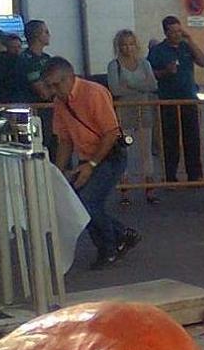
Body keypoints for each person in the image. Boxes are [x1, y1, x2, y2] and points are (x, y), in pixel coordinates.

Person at [40, 58, 139, 271]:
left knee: (86, 203)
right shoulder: (60, 102)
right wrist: (57, 171)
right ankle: (119, 235)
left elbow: (111, 132)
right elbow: (64, 139)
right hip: (88, 157)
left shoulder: (94, 93)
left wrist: (91, 164)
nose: (53, 90)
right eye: (50, 86)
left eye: (56, 84)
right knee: (80, 203)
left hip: (109, 155)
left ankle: (110, 246)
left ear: (70, 77)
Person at [147, 15, 204, 183]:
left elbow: (203, 61)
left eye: (180, 31)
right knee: (170, 139)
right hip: (168, 100)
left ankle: (195, 175)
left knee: (192, 138)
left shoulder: (186, 47)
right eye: (174, 32)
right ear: (166, 33)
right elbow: (151, 74)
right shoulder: (158, 51)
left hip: (188, 98)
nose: (178, 35)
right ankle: (170, 176)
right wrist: (165, 72)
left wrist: (191, 41)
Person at [106, 28, 159, 204]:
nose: (128, 48)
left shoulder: (144, 64)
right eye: (124, 45)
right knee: (124, 150)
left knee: (146, 151)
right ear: (118, 47)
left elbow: (152, 84)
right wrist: (138, 85)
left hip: (143, 108)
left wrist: (129, 84)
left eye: (130, 44)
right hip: (124, 110)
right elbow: (115, 88)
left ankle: (149, 188)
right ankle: (125, 189)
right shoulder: (114, 65)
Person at [20, 19, 54, 154]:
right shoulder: (26, 59)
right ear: (37, 35)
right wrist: (53, 88)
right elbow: (43, 92)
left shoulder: (47, 58)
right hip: (36, 111)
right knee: (42, 146)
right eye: (46, 32)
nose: (49, 34)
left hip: (50, 110)